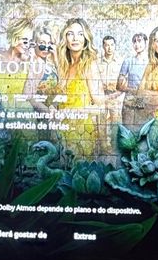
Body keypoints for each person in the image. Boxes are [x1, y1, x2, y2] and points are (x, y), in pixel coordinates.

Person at [53, 18, 105, 158]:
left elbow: (100, 107)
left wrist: (73, 111)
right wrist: (53, 107)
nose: (75, 38)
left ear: (85, 38)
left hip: (83, 136)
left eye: (80, 34)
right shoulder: (64, 65)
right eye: (70, 34)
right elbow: (61, 98)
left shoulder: (89, 65)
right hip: (62, 134)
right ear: (65, 38)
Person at [22, 21, 58, 113]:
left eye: (49, 44)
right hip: (39, 113)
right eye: (42, 43)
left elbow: (62, 86)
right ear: (35, 44)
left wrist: (55, 58)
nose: (46, 48)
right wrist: (47, 111)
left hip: (53, 110)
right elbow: (29, 97)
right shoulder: (33, 64)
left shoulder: (51, 63)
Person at [98, 35, 124, 154]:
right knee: (101, 122)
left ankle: (114, 147)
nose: (109, 48)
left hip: (115, 97)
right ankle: (103, 148)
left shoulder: (120, 62)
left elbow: (124, 82)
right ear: (103, 46)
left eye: (112, 45)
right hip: (102, 96)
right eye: (107, 45)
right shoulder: (98, 62)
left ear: (115, 46)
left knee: (115, 123)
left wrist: (117, 93)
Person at [117, 32, 148, 124]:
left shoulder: (151, 62)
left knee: (142, 127)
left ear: (146, 42)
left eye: (139, 41)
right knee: (127, 127)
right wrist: (133, 90)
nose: (137, 44)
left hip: (145, 99)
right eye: (134, 41)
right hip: (130, 99)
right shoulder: (128, 61)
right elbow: (119, 86)